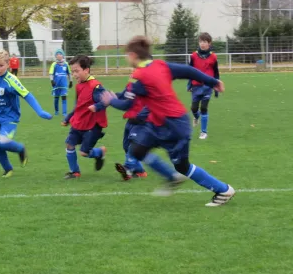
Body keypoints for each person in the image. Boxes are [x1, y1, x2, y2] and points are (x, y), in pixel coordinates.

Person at [101, 36, 235, 206]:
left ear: (133, 55)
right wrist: (213, 81)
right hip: (160, 123)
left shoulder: (138, 76)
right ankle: (172, 177)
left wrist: (110, 100)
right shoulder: (160, 65)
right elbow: (188, 71)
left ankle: (223, 190)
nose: (127, 59)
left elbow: (127, 104)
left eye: (127, 55)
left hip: (174, 125)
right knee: (137, 149)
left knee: (183, 166)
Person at [0, 49, 52, 177]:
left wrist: (39, 111)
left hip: (10, 117)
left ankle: (20, 149)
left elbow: (27, 95)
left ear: (8, 65)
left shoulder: (12, 80)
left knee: (4, 141)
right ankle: (7, 169)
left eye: (1, 65)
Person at [62, 55, 107, 179]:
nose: (74, 74)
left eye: (77, 71)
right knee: (69, 145)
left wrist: (96, 107)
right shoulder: (79, 86)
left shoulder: (96, 86)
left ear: (86, 70)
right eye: (72, 72)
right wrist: (68, 117)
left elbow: (105, 101)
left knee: (84, 152)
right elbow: (78, 105)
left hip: (92, 125)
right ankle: (74, 172)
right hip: (79, 123)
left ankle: (99, 152)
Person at [187, 32, 220, 140]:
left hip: (207, 86)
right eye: (201, 41)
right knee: (194, 108)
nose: (202, 44)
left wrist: (216, 86)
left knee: (204, 108)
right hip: (196, 86)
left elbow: (216, 72)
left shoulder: (213, 57)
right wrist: (189, 84)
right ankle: (196, 117)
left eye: (205, 42)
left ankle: (203, 132)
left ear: (209, 43)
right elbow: (189, 71)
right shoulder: (193, 56)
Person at [49, 49, 72, 117]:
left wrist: (71, 81)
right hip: (56, 84)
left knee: (64, 97)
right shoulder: (54, 64)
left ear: (63, 55)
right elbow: (51, 73)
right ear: (56, 56)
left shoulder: (66, 64)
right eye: (57, 54)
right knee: (56, 98)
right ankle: (56, 111)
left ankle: (64, 113)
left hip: (64, 84)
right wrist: (52, 80)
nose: (59, 55)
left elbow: (69, 73)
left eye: (60, 54)